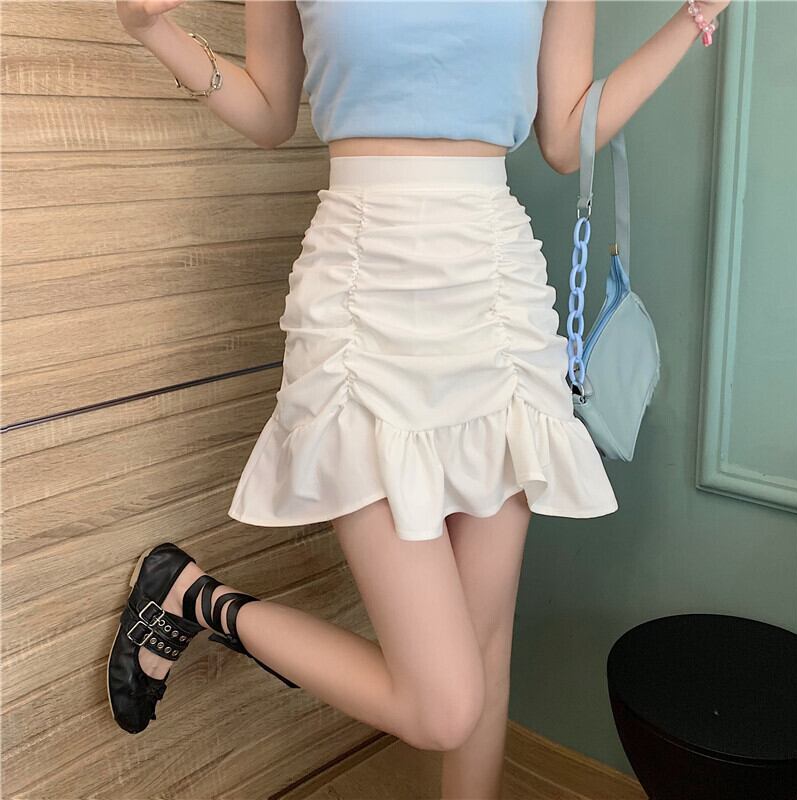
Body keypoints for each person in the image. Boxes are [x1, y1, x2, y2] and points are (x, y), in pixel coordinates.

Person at [108, 1, 729, 797]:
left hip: (494, 297)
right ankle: (195, 598)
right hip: (361, 293)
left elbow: (566, 135)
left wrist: (696, 15)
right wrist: (151, 30)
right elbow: (269, 111)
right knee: (443, 706)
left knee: (485, 649)